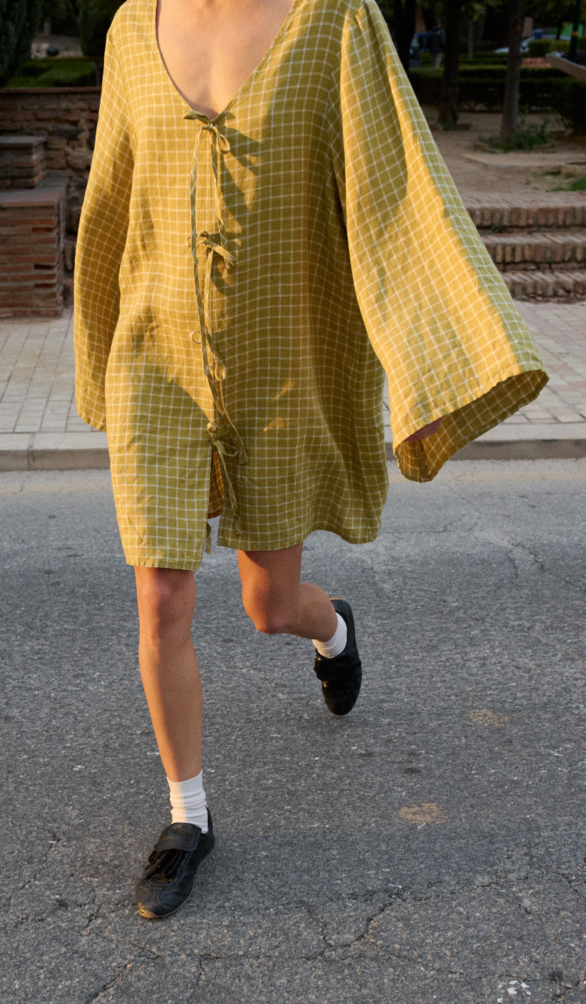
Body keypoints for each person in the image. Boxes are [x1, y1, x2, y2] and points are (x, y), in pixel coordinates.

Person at [73, 0, 547, 920]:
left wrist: (443, 354)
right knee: (162, 595)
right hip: (155, 358)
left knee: (265, 606)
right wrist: (97, 350)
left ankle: (332, 629)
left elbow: (394, 191)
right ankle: (187, 818)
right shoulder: (134, 27)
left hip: (277, 363)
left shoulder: (333, 20)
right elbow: (110, 196)